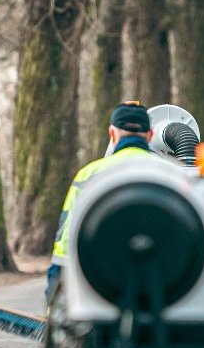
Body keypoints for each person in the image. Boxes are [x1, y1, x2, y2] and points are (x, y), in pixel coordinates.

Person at [46, 101, 160, 301]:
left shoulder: (88, 175)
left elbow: (66, 241)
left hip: (101, 283)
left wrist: (54, 287)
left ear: (112, 134)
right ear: (150, 135)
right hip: (163, 284)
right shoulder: (173, 173)